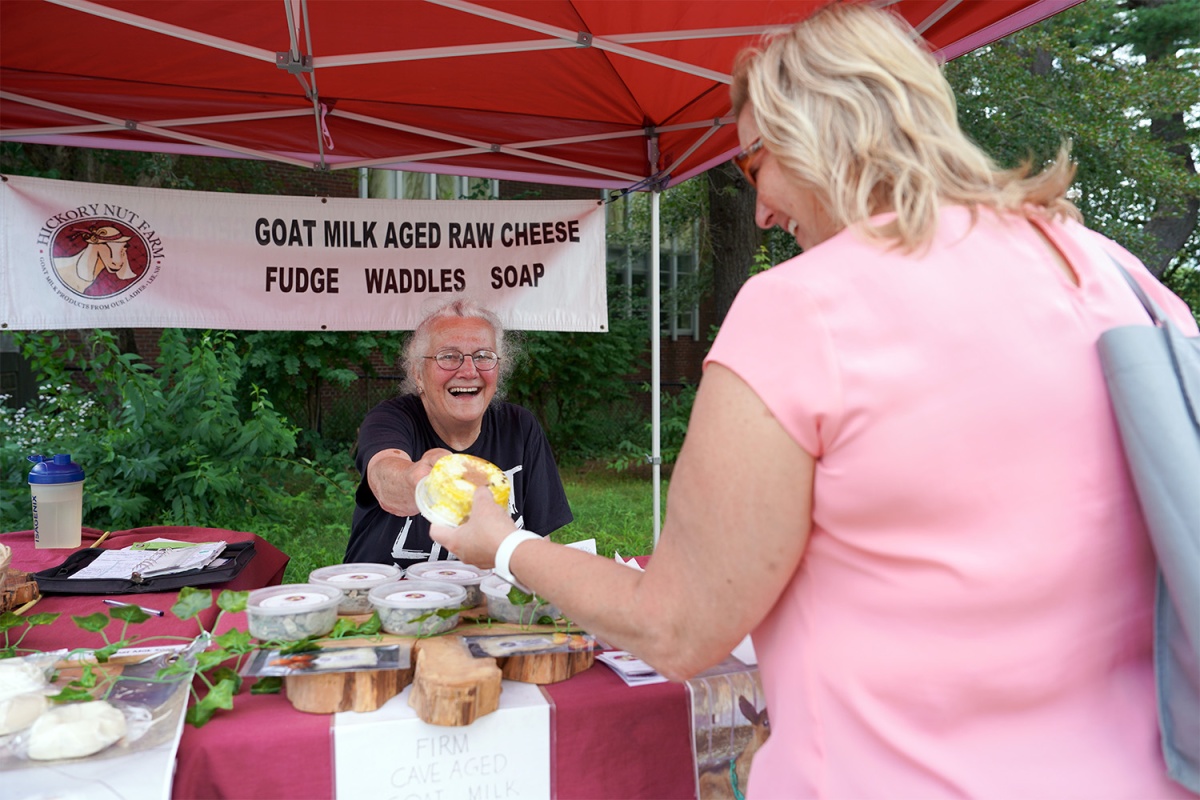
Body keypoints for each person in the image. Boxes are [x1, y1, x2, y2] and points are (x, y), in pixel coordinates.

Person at [430, 4, 1199, 798]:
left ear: (815, 131)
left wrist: (502, 543)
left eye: (752, 164)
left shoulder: (803, 307)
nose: (760, 210)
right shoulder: (1120, 277)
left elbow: (678, 626)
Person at [347, 299, 572, 570]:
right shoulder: (392, 418)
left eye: (483, 356)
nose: (468, 371)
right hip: (383, 602)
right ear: (418, 374)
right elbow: (385, 479)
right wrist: (419, 479)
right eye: (448, 356)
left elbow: (539, 544)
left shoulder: (520, 426)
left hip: (486, 605)